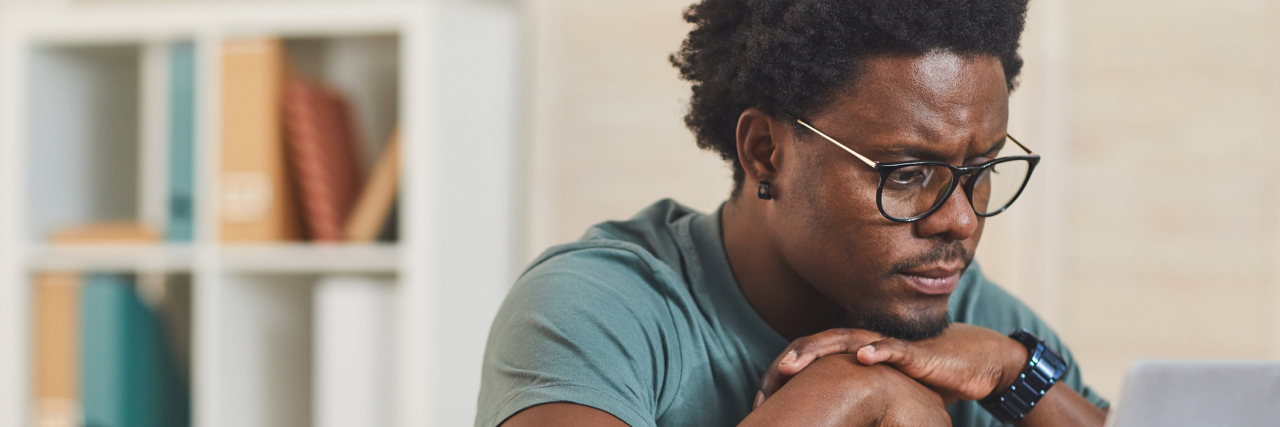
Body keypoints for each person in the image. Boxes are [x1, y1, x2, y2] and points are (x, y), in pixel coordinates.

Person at [477, 0, 1110, 425]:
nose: (962, 222)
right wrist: (851, 392)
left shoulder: (974, 321)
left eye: (982, 173)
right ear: (765, 153)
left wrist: (1018, 374)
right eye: (908, 175)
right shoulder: (599, 308)